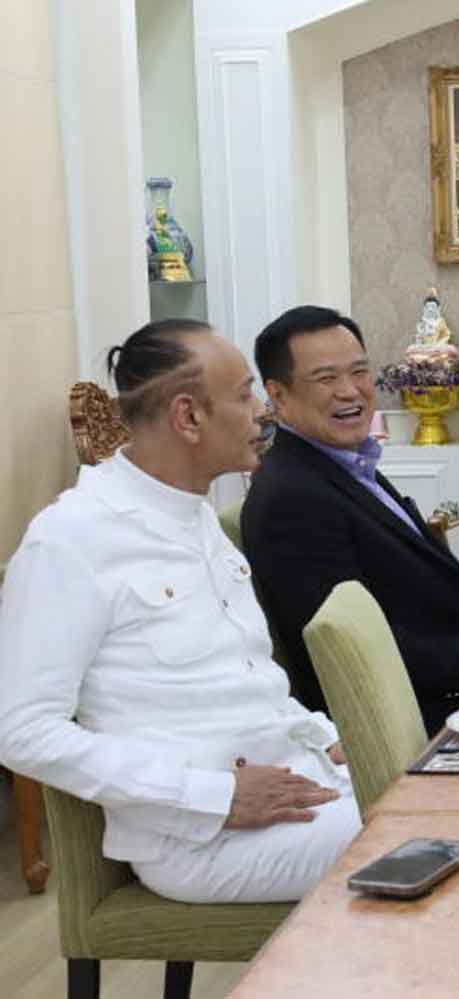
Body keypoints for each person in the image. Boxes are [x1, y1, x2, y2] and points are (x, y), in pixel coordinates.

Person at [0, 320, 360, 904]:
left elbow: (245, 680)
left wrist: (329, 738)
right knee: (440, 837)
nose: (261, 412)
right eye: (244, 395)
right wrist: (212, 795)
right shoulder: (71, 539)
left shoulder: (196, 516)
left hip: (300, 782)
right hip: (202, 841)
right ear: (189, 417)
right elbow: (22, 733)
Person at [242, 306, 459, 735]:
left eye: (359, 371)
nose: (351, 392)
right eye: (326, 379)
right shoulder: (291, 498)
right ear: (278, 396)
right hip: (418, 720)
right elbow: (350, 651)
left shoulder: (344, 464)